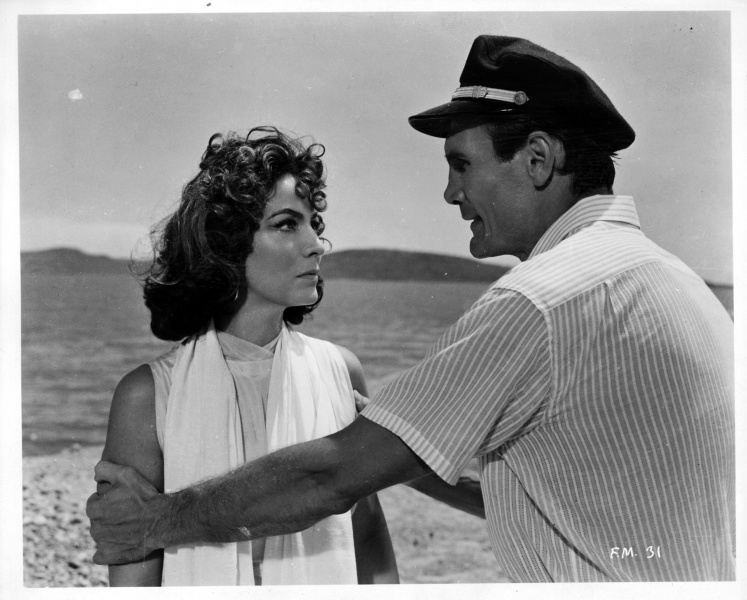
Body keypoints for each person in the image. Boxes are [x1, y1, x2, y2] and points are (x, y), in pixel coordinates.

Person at [88, 36, 735, 582]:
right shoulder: (671, 280)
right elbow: (568, 500)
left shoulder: (539, 301)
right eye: (286, 224)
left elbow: (332, 480)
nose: (450, 192)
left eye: (462, 164)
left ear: (538, 159)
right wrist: (398, 443)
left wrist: (155, 520)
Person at [96, 126, 401, 586]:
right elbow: (132, 570)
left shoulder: (341, 371)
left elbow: (366, 532)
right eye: (286, 224)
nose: (316, 244)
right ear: (227, 244)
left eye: (312, 224)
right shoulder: (147, 396)